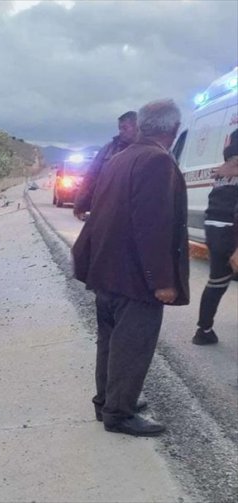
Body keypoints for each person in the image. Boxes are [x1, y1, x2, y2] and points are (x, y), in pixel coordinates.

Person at [72, 99, 189, 437]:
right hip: (135, 277)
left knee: (109, 342)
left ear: (142, 126)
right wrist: (162, 281)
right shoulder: (156, 161)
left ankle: (108, 401)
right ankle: (119, 414)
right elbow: (152, 226)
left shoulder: (120, 157)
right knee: (132, 345)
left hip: (107, 270)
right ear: (174, 129)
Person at [192, 128, 238, 345]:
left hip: (213, 226)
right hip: (232, 229)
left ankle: (204, 330)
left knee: (217, 281)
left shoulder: (223, 171)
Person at [73, 111, 138, 219]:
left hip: (134, 210)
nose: (121, 132)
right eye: (120, 128)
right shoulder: (108, 149)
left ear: (137, 127)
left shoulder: (150, 151)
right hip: (107, 208)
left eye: (125, 128)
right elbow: (92, 176)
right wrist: (81, 204)